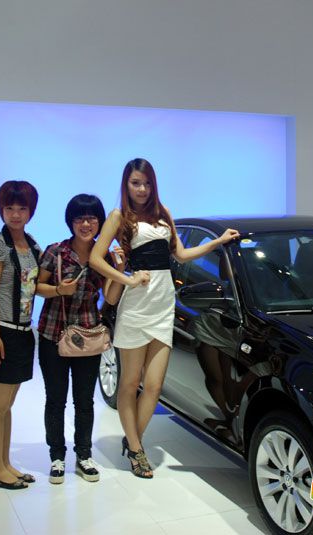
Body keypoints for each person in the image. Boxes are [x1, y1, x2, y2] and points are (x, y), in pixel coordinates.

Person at [89, 158, 239, 478]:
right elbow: (95, 258)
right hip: (135, 307)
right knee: (130, 383)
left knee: (154, 386)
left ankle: (133, 441)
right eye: (135, 183)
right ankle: (136, 448)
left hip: (162, 306)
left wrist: (217, 242)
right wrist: (127, 278)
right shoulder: (118, 216)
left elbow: (180, 254)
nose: (142, 189)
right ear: (126, 184)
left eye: (146, 183)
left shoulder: (163, 212)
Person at [35, 194, 125, 484]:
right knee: (55, 399)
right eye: (79, 218)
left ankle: (84, 455)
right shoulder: (56, 251)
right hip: (53, 334)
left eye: (91, 218)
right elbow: (37, 287)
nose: (86, 224)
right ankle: (57, 456)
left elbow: (110, 298)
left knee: (85, 400)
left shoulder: (104, 257)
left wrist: (120, 270)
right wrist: (58, 290)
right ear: (70, 222)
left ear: (99, 222)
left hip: (88, 335)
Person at [0, 180, 41, 490]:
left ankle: (4, 464)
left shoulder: (32, 245)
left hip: (24, 333)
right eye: (9, 208)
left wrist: (60, 289)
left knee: (7, 406)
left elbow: (32, 287)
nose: (15, 214)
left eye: (22, 208)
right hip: (1, 332)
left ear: (31, 211)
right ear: (1, 209)